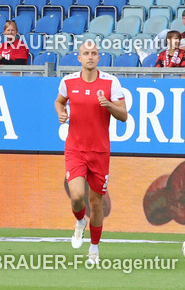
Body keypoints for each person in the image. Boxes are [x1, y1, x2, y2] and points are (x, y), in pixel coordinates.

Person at [55, 40, 129, 262]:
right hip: (75, 149)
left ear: (99, 57)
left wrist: (109, 105)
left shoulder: (111, 82)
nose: (90, 57)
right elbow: (59, 102)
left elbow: (124, 115)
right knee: (77, 196)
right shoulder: (68, 81)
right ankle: (80, 221)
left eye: (94, 53)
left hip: (100, 152)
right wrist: (61, 113)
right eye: (86, 53)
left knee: (96, 203)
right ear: (79, 58)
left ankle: (94, 249)